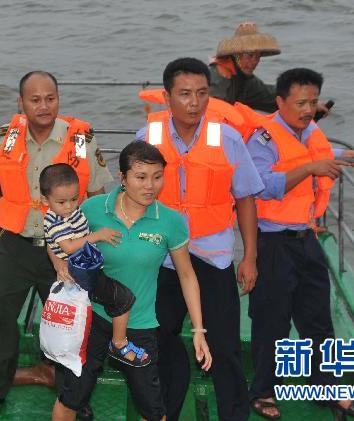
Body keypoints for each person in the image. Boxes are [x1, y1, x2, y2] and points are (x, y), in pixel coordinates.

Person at [0, 71, 113, 418]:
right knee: (1, 320)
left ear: (59, 99)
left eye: (51, 98)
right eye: (35, 99)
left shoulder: (81, 140)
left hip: (62, 250)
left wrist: (95, 248)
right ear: (21, 103)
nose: (44, 105)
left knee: (70, 325)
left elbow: (96, 194)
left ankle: (73, 395)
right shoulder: (6, 138)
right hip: (14, 245)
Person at [137, 57, 265, 421]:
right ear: (167, 96)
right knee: (160, 342)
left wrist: (250, 256)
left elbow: (245, 198)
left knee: (224, 348)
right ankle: (164, 413)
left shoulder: (226, 138)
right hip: (160, 262)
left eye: (202, 93)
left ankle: (234, 415)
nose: (194, 102)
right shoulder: (147, 137)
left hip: (213, 260)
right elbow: (130, 199)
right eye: (184, 94)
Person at [245, 67, 354, 419]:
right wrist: (312, 168)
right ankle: (263, 391)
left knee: (318, 320)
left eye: (313, 102)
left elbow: (310, 154)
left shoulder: (309, 132)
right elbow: (264, 185)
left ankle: (327, 387)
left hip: (306, 238)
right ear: (280, 102)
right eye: (300, 102)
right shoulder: (262, 138)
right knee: (272, 321)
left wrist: (345, 155)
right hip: (272, 242)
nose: (307, 109)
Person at [52, 141, 212, 421]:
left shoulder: (170, 222)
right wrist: (59, 265)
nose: (150, 186)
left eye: (157, 176)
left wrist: (199, 329)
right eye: (140, 177)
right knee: (71, 398)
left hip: (139, 328)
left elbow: (187, 275)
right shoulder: (92, 210)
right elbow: (56, 235)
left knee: (153, 410)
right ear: (123, 178)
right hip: (93, 319)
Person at [40, 163, 151, 366]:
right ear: (45, 200)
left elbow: (50, 243)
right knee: (123, 299)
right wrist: (98, 236)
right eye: (62, 202)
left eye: (74, 199)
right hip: (79, 273)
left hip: (81, 268)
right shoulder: (56, 221)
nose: (69, 206)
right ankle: (118, 343)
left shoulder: (68, 213)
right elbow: (69, 247)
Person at [210, 22, 331, 117]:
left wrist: (307, 104)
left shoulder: (246, 79)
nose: (254, 61)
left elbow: (271, 96)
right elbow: (211, 115)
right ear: (236, 55)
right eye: (250, 55)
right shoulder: (218, 77)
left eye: (258, 56)